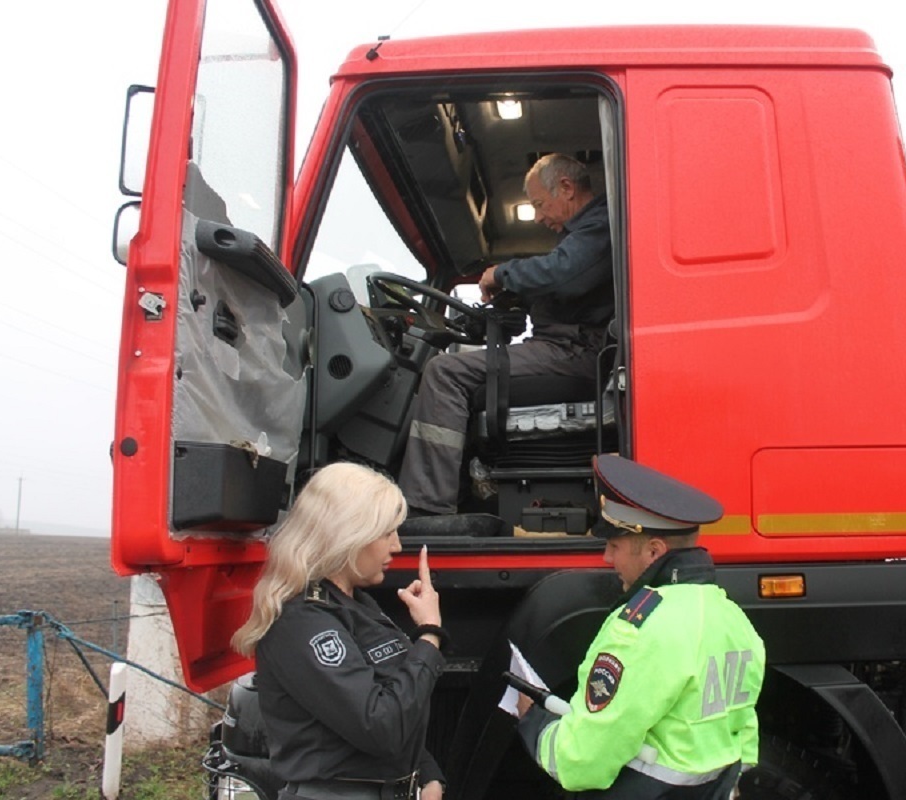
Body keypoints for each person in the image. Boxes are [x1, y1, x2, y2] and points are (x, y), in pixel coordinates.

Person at [515, 455, 766, 798]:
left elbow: (580, 762)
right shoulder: (732, 618)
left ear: (653, 551)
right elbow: (743, 738)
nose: (607, 558)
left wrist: (534, 724)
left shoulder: (639, 629)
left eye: (615, 546)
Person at [399, 152, 614, 514]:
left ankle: (426, 509)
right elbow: (565, 284)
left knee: (444, 372)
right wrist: (518, 298)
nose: (540, 217)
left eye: (540, 205)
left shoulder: (600, 225)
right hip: (567, 348)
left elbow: (564, 271)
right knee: (459, 373)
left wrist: (502, 274)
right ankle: (464, 491)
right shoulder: (584, 234)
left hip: (575, 352)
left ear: (566, 187)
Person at [231, 463, 447, 800]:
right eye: (386, 532)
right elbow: (380, 725)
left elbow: (398, 698)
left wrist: (426, 774)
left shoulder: (358, 605)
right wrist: (430, 635)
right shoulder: (302, 621)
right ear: (347, 533)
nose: (398, 546)